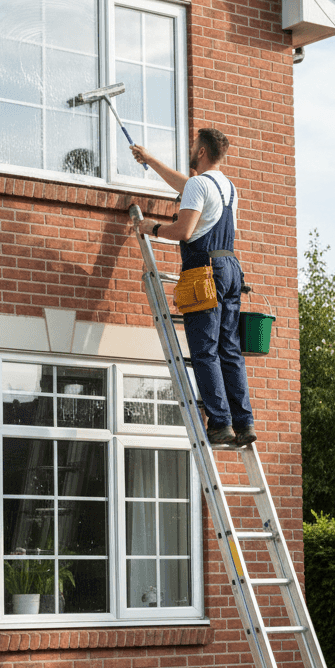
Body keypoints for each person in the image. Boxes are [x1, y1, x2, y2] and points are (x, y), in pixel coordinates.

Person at [130, 129, 257, 447]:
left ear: (201, 152)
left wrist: (153, 227)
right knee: (229, 350)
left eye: (192, 145)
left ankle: (220, 424)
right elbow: (184, 186)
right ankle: (244, 422)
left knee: (204, 351)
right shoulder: (226, 186)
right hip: (230, 269)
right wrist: (150, 161)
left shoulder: (199, 185)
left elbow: (185, 231)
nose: (189, 149)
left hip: (205, 271)